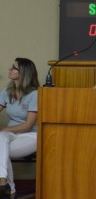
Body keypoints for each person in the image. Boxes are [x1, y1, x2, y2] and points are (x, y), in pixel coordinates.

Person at [0, 58, 39, 199]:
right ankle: (3, 181)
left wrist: (3, 130)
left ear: (23, 73)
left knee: (0, 142)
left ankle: (10, 188)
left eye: (13, 68)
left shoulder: (34, 94)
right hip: (11, 135)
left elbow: (28, 125)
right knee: (1, 140)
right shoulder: (7, 91)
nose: (10, 69)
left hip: (30, 135)